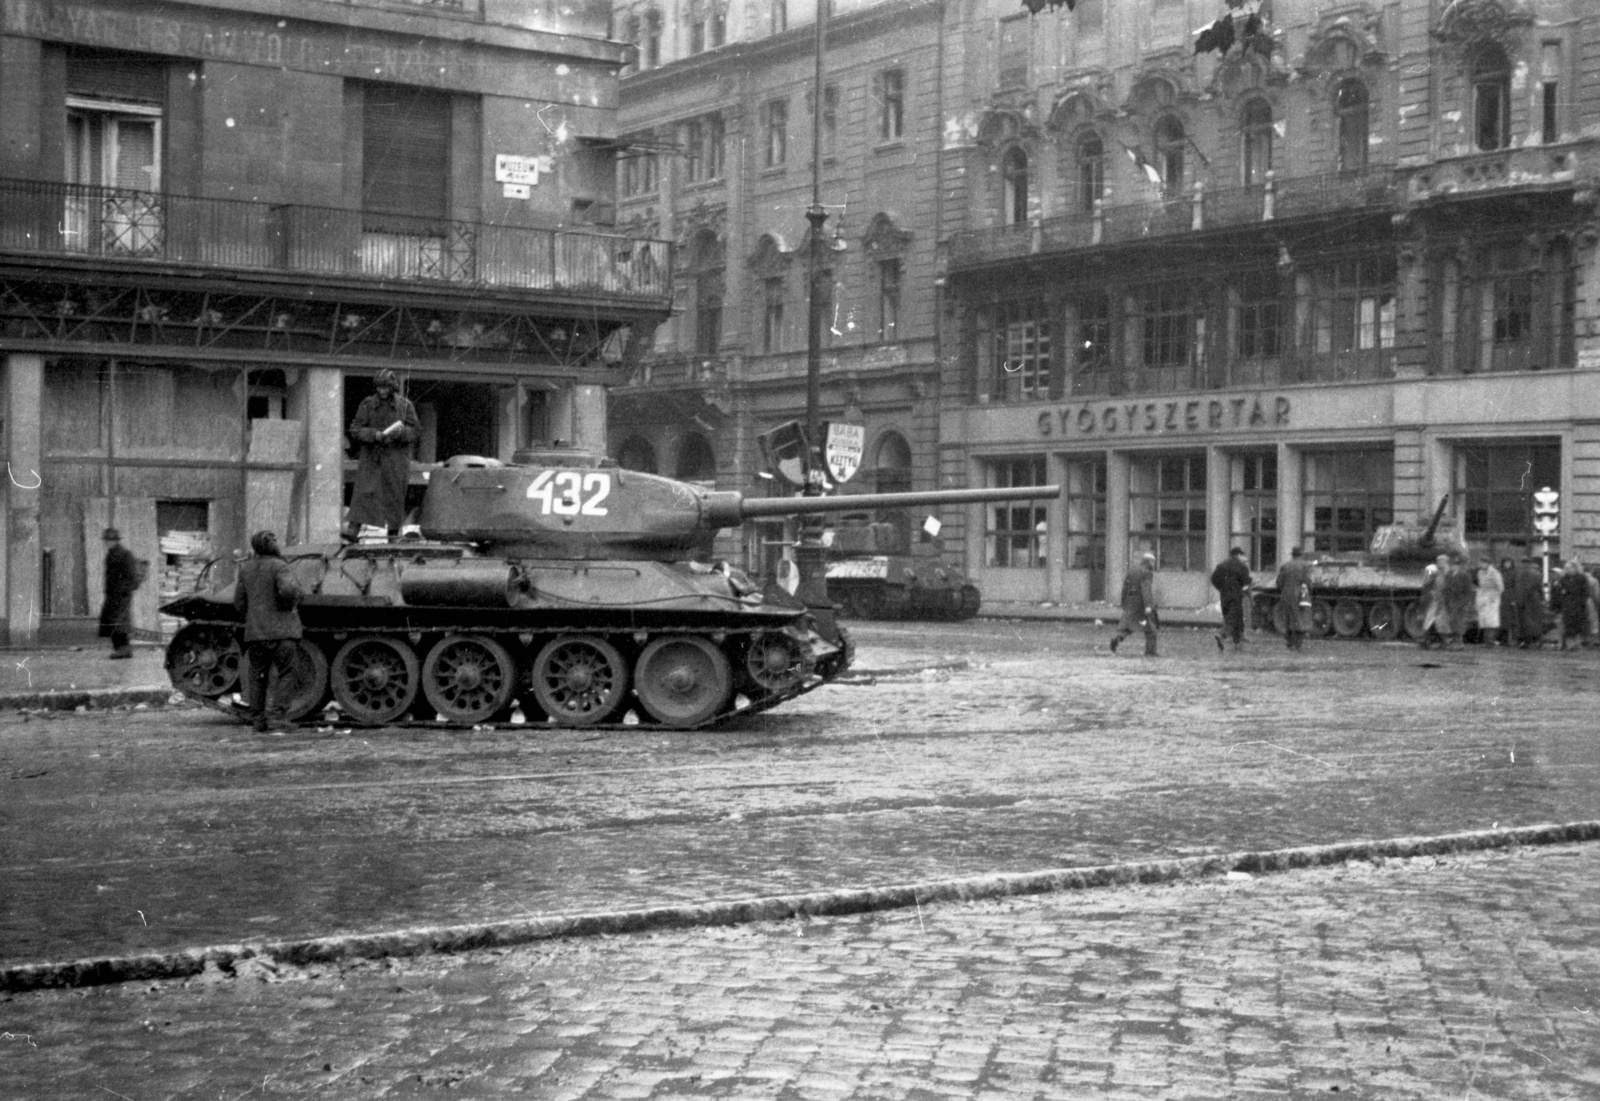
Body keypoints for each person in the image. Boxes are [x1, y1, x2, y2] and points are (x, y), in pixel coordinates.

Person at [233, 530, 304, 732]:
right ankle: (277, 717)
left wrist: (255, 616)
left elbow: (239, 603)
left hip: (256, 633)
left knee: (257, 676)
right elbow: (289, 590)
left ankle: (259, 720)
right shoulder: (280, 566)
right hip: (283, 631)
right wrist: (290, 606)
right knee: (288, 672)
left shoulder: (246, 569)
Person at [344, 368, 420, 542]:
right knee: (364, 492)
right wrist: (374, 435)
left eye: (386, 387)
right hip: (372, 457)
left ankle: (393, 534)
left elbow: (415, 431)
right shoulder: (367, 404)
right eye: (379, 387)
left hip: (396, 458)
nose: (382, 391)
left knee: (394, 496)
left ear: (392, 387)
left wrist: (400, 434)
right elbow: (356, 429)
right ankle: (353, 530)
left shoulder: (405, 406)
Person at [97, 527, 142, 659]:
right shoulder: (110, 554)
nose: (108, 543)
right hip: (112, 594)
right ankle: (121, 648)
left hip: (121, 595)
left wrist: (124, 589)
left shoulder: (125, 555)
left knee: (119, 623)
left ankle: (123, 649)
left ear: (116, 541)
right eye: (106, 540)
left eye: (110, 540)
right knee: (112, 621)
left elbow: (132, 577)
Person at [1109, 552, 1159, 656]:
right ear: (1149, 562)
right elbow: (1146, 590)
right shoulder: (1147, 572)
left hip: (1130, 603)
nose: (1153, 564)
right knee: (1150, 629)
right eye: (1153, 561)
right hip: (1141, 605)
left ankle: (1117, 638)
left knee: (1127, 626)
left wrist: (1123, 602)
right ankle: (1150, 652)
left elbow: (1125, 588)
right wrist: (1148, 606)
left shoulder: (1132, 570)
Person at [1210, 546, 1253, 651]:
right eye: (1243, 555)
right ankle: (1221, 634)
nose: (1244, 557)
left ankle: (1238, 641)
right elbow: (1246, 580)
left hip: (1224, 595)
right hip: (1236, 595)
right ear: (1238, 555)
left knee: (1233, 616)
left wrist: (1221, 588)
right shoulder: (1241, 566)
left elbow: (1213, 579)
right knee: (1233, 618)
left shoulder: (1221, 566)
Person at [1275, 546, 1313, 651]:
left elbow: (1279, 583)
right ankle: (1298, 644)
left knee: (1289, 619)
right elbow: (1308, 581)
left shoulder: (1285, 566)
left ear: (1292, 555)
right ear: (1301, 554)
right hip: (1300, 595)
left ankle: (1290, 643)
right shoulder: (1305, 566)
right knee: (1300, 619)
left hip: (1286, 595)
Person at [1434, 555, 1476, 650]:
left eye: (1455, 565)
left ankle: (1459, 643)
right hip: (1450, 602)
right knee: (1452, 622)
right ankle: (1454, 642)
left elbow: (1468, 591)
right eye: (1452, 565)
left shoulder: (1464, 576)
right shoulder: (1449, 575)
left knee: (1459, 623)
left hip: (1460, 602)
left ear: (1458, 566)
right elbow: (1446, 589)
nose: (1453, 567)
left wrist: (1465, 602)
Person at [1507, 558, 1548, 648]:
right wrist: (1543, 599)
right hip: (1533, 599)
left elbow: (1512, 586)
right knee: (1532, 621)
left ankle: (1527, 641)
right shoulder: (1536, 574)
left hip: (1522, 599)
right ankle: (1535, 640)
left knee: (1523, 621)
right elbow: (1540, 588)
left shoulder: (1517, 573)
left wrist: (1514, 598)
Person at [1554, 560, 1591, 651]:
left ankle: (1576, 643)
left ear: (1574, 568)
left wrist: (1582, 601)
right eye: (1566, 568)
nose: (1567, 570)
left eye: (1569, 568)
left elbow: (1585, 592)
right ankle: (1571, 644)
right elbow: (1559, 592)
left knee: (1578, 625)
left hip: (1578, 606)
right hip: (1567, 606)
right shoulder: (1563, 579)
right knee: (1568, 625)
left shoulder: (1581, 578)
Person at [1473, 558, 1504, 645]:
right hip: (1483, 596)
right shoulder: (1480, 572)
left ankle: (1491, 639)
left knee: (1492, 620)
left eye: (1483, 563)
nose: (1481, 565)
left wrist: (1494, 597)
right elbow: (1480, 585)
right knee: (1484, 619)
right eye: (1480, 563)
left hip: (1492, 597)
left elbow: (1500, 587)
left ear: (1488, 563)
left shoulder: (1495, 573)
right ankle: (1486, 639)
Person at [1495, 557, 1517, 646]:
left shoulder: (1514, 573)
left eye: (1509, 563)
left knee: (1511, 619)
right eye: (1506, 563)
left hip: (1509, 596)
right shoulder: (1500, 573)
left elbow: (1516, 586)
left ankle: (1510, 639)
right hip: (1501, 597)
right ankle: (1503, 639)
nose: (1507, 564)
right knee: (1502, 619)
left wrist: (1514, 599)